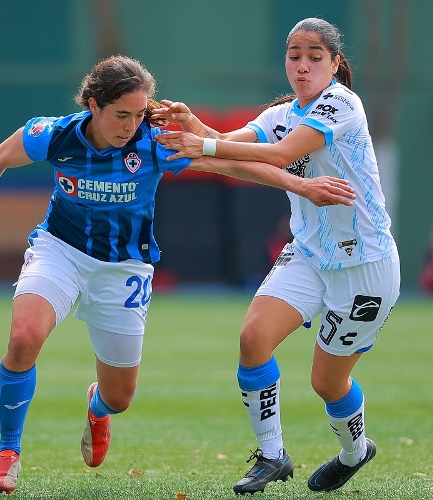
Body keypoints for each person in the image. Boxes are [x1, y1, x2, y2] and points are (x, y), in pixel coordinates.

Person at [0, 55, 357, 495]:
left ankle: (97, 407)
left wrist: (302, 185)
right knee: (23, 338)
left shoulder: (153, 142)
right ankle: (9, 453)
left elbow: (230, 166)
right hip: (60, 250)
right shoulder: (55, 133)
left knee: (120, 397)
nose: (131, 125)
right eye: (122, 115)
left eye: (139, 115)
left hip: (124, 268)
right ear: (94, 106)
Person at [155, 18, 400, 494]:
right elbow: (237, 146)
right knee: (253, 338)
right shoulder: (280, 113)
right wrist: (190, 127)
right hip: (308, 255)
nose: (302, 65)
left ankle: (355, 451)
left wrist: (198, 147)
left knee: (327, 384)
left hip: (365, 268)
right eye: (294, 55)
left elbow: (281, 155)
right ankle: (272, 455)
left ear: (334, 63)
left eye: (314, 55)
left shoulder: (342, 104)